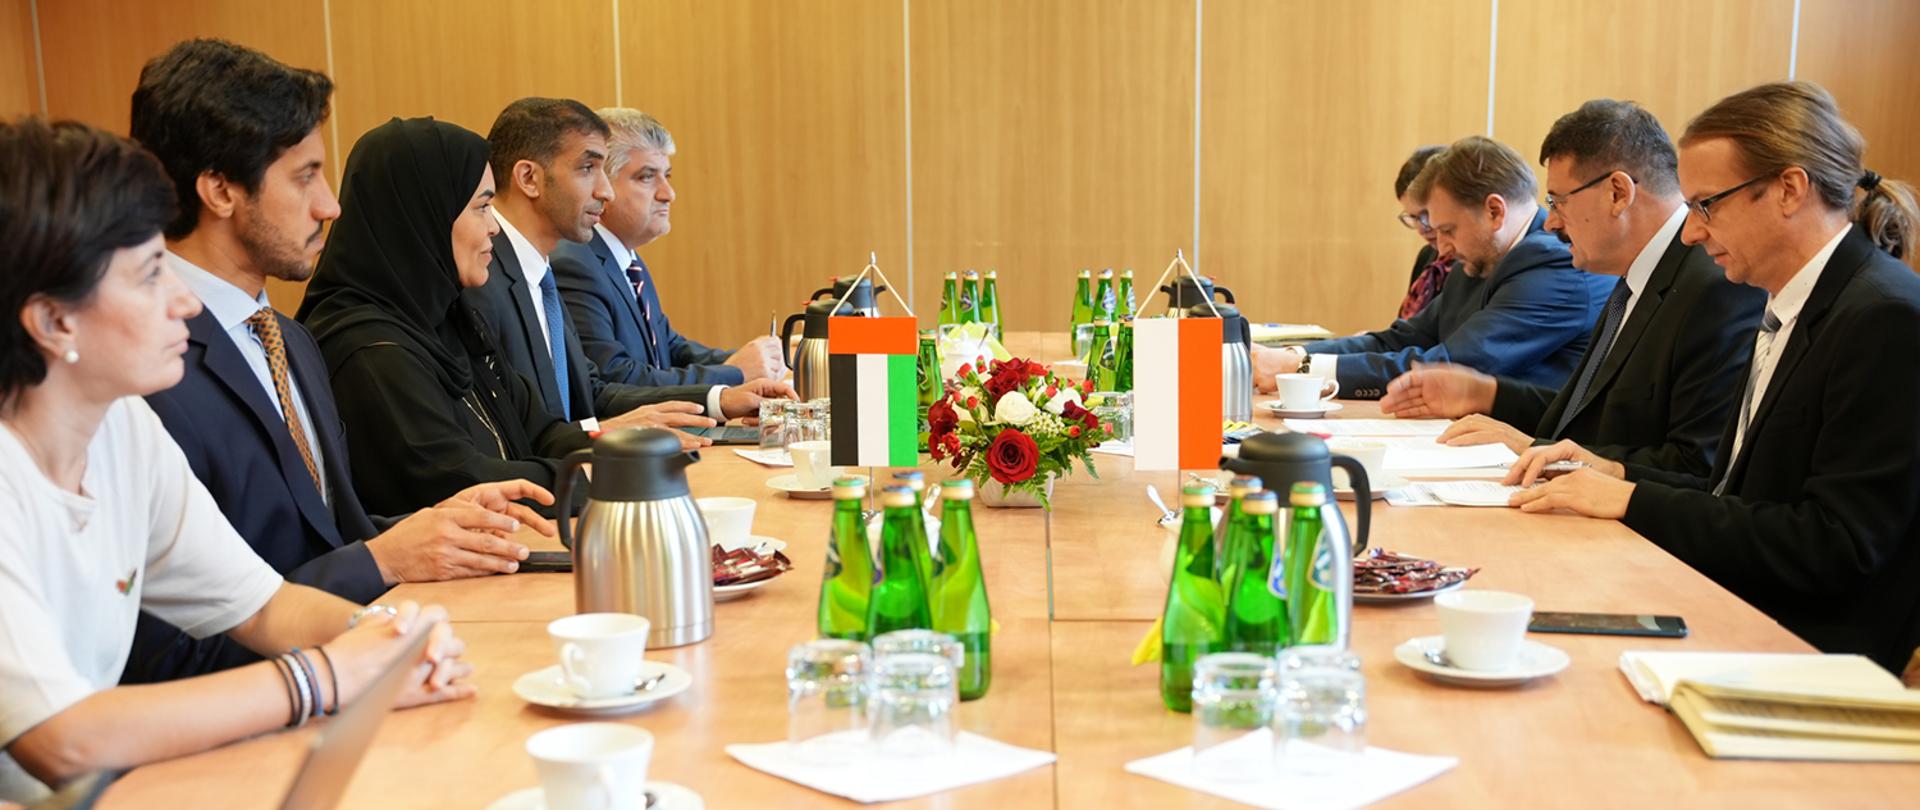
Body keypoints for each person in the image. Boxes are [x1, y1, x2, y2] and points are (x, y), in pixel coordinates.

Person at [0, 118, 471, 803]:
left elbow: (263, 606)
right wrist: (327, 676)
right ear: (52, 321)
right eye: (149, 276)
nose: (185, 300)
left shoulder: (122, 426)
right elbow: (61, 738)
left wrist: (385, 638)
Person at [122, 39, 556, 684]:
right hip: (252, 699)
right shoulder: (143, 368)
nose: (330, 205)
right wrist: (382, 559)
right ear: (219, 189)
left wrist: (435, 527)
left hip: (346, 664)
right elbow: (186, 628)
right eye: (305, 177)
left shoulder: (290, 341)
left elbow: (325, 534)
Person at [1508, 81, 1920, 671]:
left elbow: (1835, 546)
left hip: (1799, 648)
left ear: (1788, 190)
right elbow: (1734, 494)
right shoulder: (1794, 302)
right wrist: (1612, 472)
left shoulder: (1885, 316)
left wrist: (1632, 499)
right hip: (1737, 604)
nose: (1691, 232)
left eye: (1706, 205)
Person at [1379, 100, 1764, 480]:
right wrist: (1486, 393)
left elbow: (1698, 467)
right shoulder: (1633, 278)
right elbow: (1597, 417)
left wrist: (1537, 450)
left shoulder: (1716, 288)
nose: (1551, 223)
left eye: (1559, 202)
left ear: (1617, 193)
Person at [301, 117, 608, 516]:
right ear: (423, 216)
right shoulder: (368, 348)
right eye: (482, 207)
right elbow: (459, 481)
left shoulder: (449, 317)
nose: (494, 227)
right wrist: (596, 481)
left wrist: (627, 455)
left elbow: (540, 429)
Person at [466, 98, 789, 434]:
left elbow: (592, 392)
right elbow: (517, 433)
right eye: (588, 169)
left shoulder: (539, 271)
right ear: (529, 178)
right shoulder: (484, 279)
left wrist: (718, 399)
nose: (605, 192)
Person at [1253, 136, 1611, 399]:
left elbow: (1450, 365)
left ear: (1494, 211)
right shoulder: (1481, 256)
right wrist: (1297, 355)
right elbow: (1401, 338)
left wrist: (1301, 370)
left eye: (1448, 230)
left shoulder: (1557, 264)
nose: (1441, 247)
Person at [555, 108, 787, 389]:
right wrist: (734, 372)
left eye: (667, 175)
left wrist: (755, 360)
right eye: (646, 177)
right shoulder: (575, 265)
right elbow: (615, 377)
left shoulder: (628, 261)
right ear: (602, 184)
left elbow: (669, 348)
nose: (668, 193)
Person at [1392, 145, 1455, 320]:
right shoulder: (1427, 256)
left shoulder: (1471, 262)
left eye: (1426, 214)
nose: (1422, 228)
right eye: (1413, 217)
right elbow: (1407, 330)